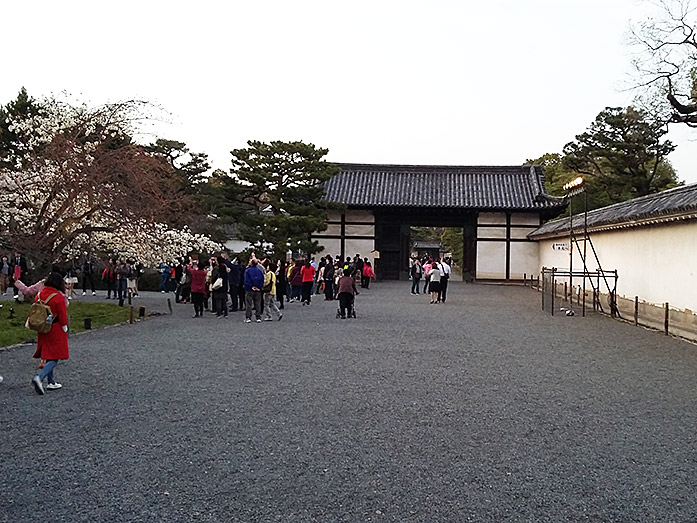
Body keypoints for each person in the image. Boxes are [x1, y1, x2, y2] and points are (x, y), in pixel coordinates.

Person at [31, 272, 70, 395]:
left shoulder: (40, 294)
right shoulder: (57, 297)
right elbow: (62, 314)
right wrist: (65, 326)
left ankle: (51, 381)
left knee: (48, 353)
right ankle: (40, 377)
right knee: (55, 355)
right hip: (55, 327)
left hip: (42, 327)